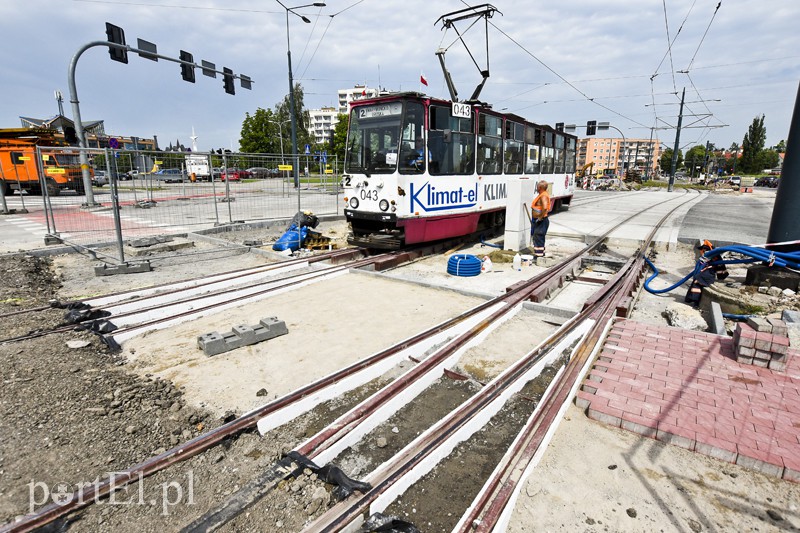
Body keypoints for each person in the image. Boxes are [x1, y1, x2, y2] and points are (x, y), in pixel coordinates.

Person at [530, 180, 551, 260]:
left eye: (537, 186)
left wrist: (540, 218)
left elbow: (545, 207)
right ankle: (539, 254)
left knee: (538, 236)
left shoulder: (543, 195)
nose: (536, 187)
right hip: (540, 220)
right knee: (537, 236)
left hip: (541, 220)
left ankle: (539, 257)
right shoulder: (542, 194)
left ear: (540, 187)